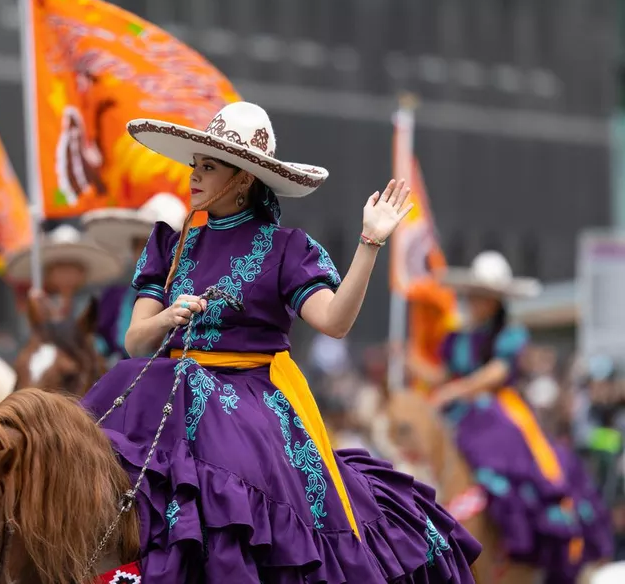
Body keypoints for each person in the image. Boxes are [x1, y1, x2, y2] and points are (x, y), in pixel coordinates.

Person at [81, 101, 480, 582]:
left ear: (243, 178)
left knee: (227, 475)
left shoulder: (288, 248)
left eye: (209, 166)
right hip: (167, 384)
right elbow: (135, 344)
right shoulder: (171, 242)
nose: (194, 176)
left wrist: (369, 244)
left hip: (250, 394)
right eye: (195, 165)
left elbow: (334, 321)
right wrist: (168, 315)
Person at [410, 250, 613, 581]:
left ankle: (514, 541)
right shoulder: (457, 338)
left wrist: (456, 391)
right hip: (460, 410)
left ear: (496, 301)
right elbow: (444, 376)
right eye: (476, 295)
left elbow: (495, 373)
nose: (477, 302)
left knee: (505, 460)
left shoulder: (510, 335)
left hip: (497, 410)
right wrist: (413, 363)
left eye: (485, 297)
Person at [82, 193, 188, 362]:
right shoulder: (114, 298)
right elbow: (97, 352)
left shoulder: (193, 292)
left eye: (153, 245)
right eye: (140, 245)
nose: (146, 253)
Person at [5, 224, 123, 320]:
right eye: (60, 267)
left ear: (82, 273)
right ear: (48, 273)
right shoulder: (38, 304)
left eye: (72, 267)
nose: (66, 275)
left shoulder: (94, 305)